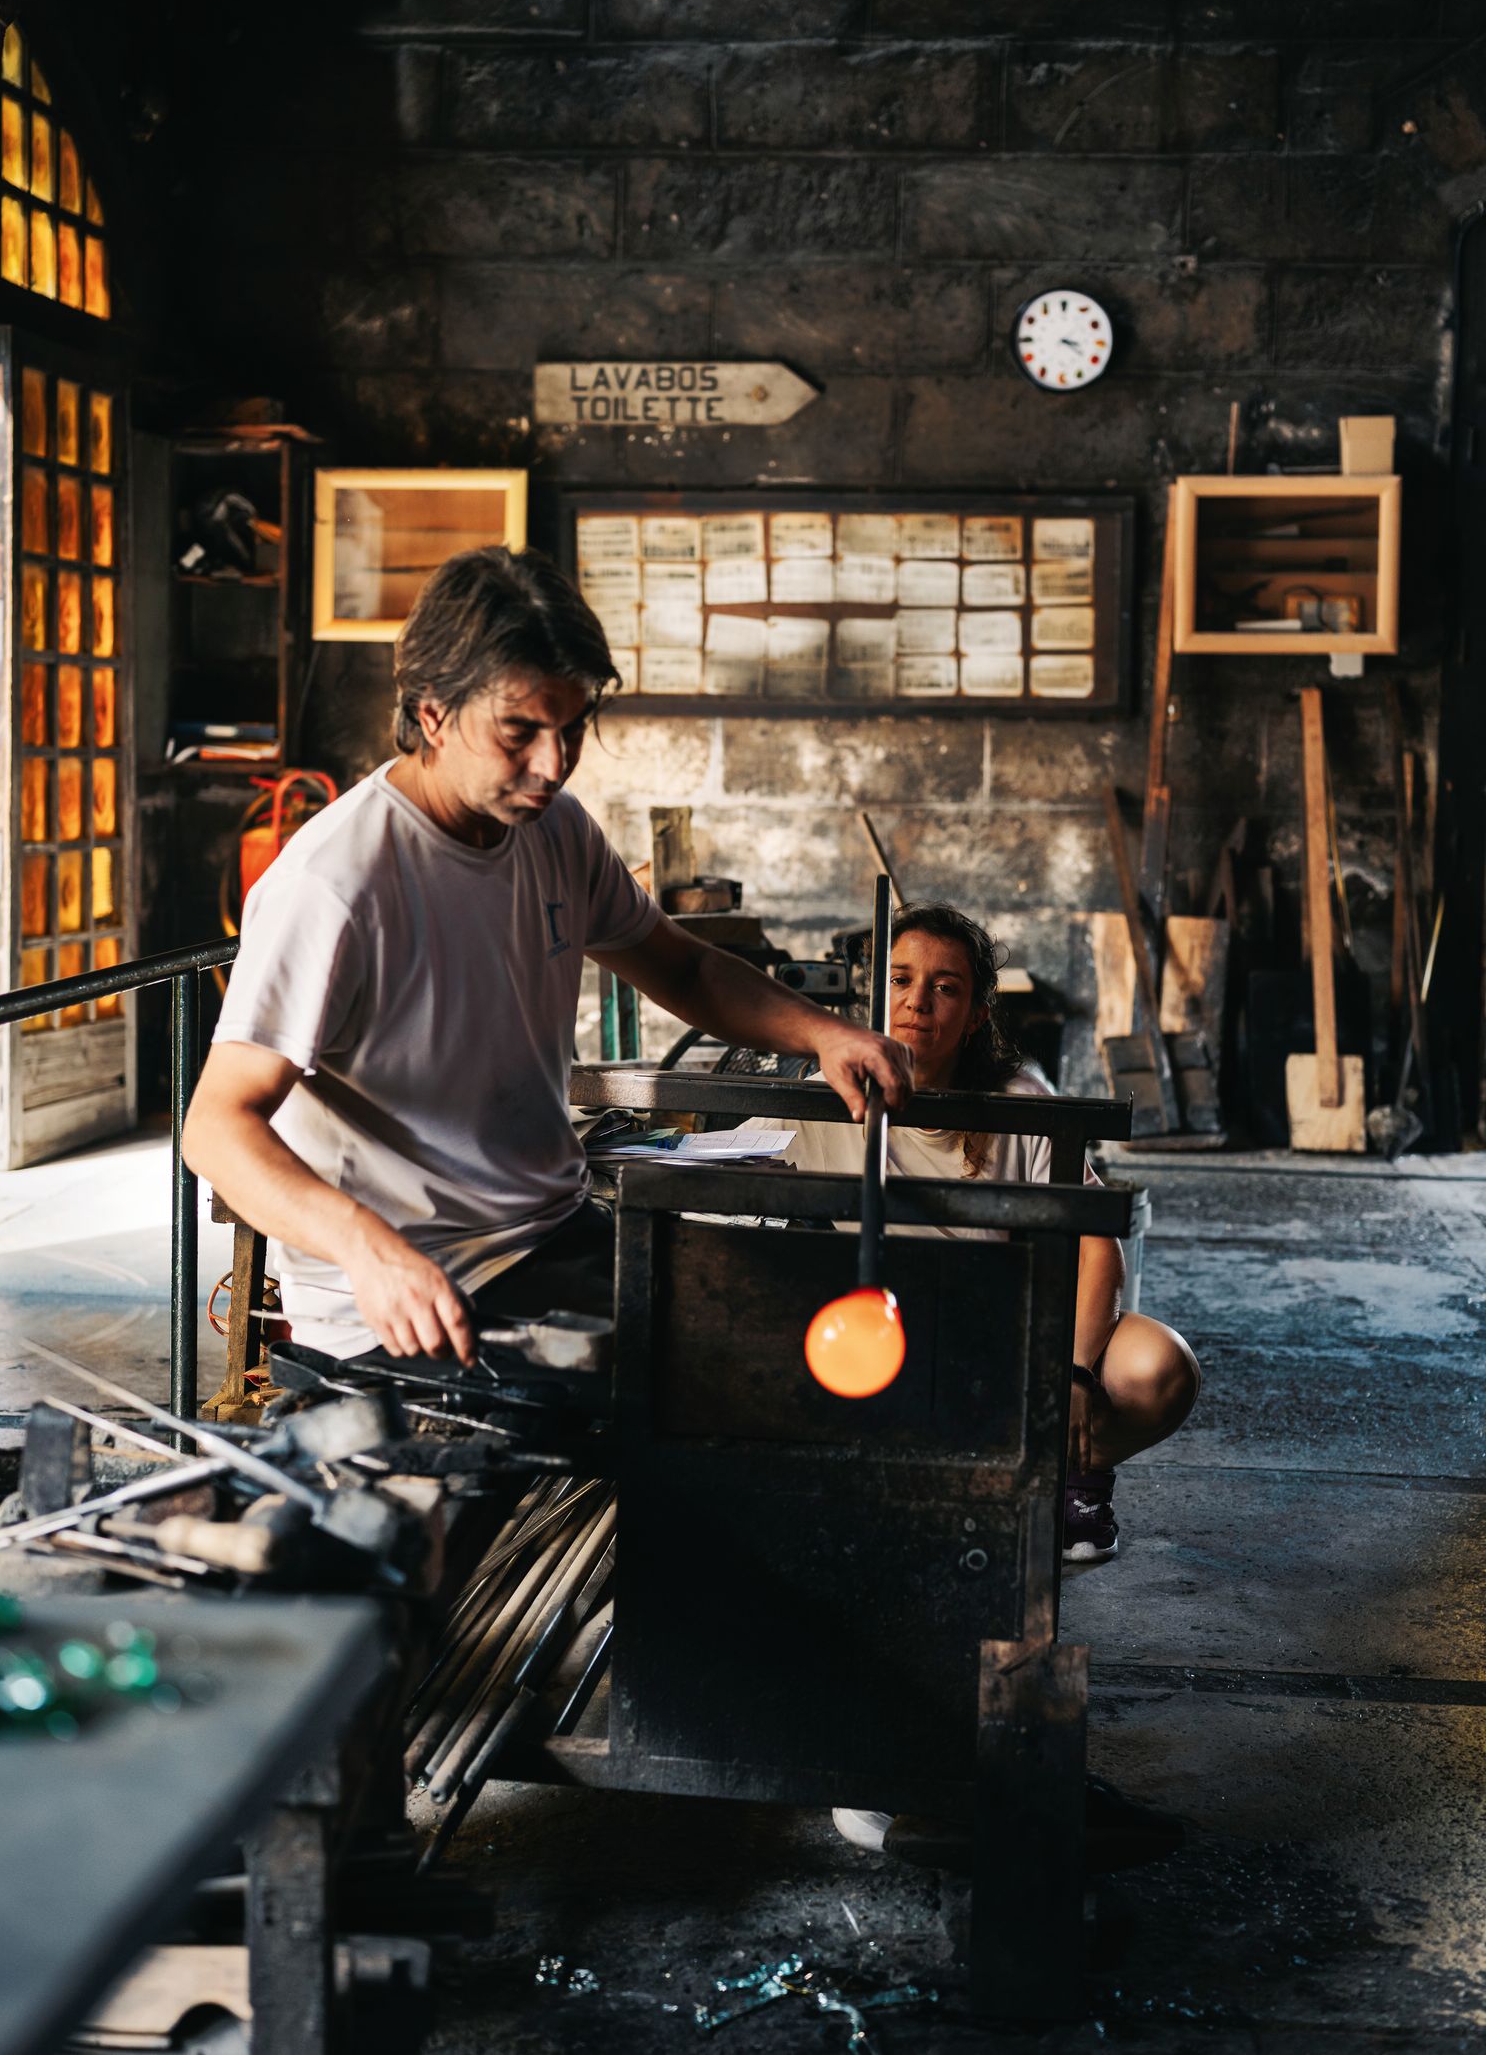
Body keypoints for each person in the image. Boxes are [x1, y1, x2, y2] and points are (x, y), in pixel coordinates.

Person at [180, 546, 912, 1367]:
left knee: (777, 1357)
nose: (553, 765)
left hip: (552, 1236)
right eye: (520, 732)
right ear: (432, 713)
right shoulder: (337, 882)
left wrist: (824, 1033)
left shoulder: (556, 831)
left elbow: (684, 968)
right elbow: (216, 1128)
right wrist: (366, 1247)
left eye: (572, 729)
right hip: (405, 1300)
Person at [747, 901, 1200, 1566]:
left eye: (945, 987)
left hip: (1006, 1330)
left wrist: (1075, 1376)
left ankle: (1070, 1474)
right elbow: (721, 1172)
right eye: (900, 980)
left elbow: (1095, 1245)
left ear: (977, 1013)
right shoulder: (827, 1099)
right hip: (896, 1340)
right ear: (874, 995)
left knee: (1158, 1368)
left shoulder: (1019, 1104)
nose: (918, 1001)